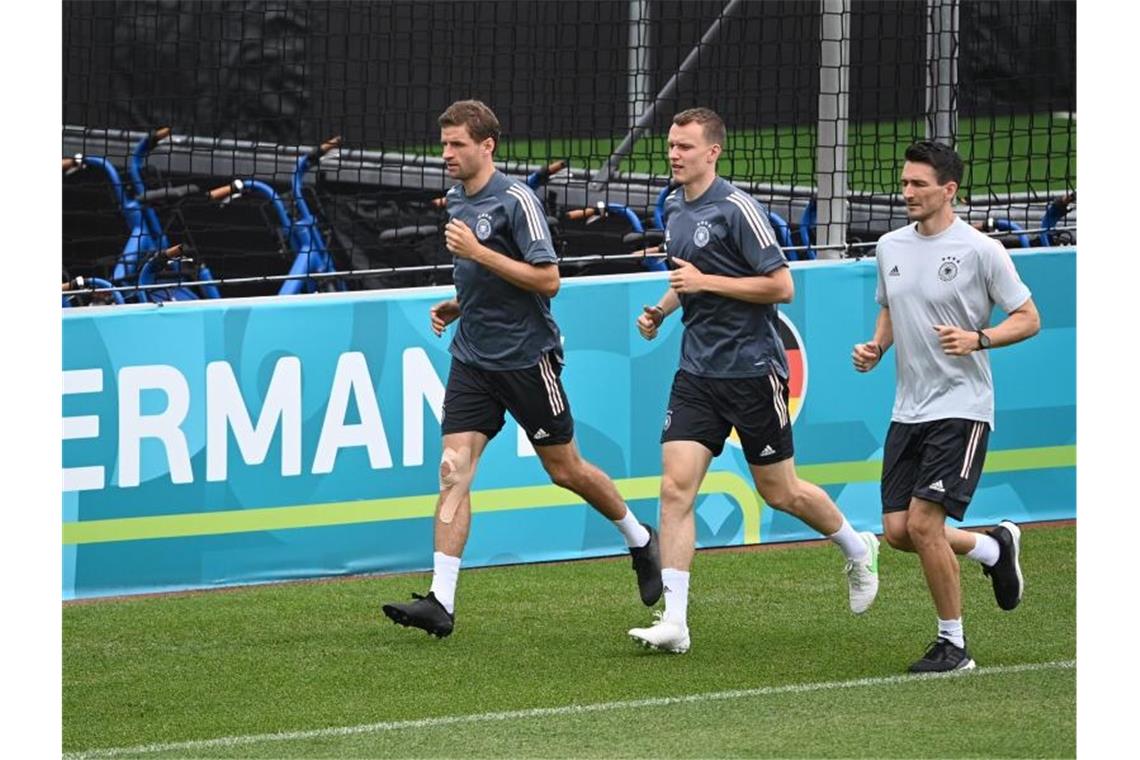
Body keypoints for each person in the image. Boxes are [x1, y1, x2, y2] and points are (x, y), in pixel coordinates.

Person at [382, 100, 661, 638]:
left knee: (565, 470)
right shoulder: (459, 199)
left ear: (487, 146)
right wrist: (458, 303)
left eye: (457, 144)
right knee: (452, 471)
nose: (447, 154)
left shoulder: (517, 200)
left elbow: (547, 279)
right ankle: (441, 600)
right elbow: (485, 277)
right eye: (444, 145)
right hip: (473, 358)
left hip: (526, 360)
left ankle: (639, 539)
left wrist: (479, 253)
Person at [627, 107, 880, 654]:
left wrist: (703, 282)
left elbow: (781, 287)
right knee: (674, 489)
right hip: (696, 371)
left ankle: (858, 547)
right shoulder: (673, 206)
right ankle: (676, 621)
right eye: (671, 145)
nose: (674, 154)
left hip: (752, 370)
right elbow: (687, 275)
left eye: (685, 146)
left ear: (712, 151)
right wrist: (666, 307)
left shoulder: (739, 208)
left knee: (780, 491)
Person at [852, 140, 1040, 672]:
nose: (906, 192)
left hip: (962, 407)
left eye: (918, 184)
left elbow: (1029, 318)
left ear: (948, 190)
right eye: (904, 182)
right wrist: (876, 346)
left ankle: (953, 646)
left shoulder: (982, 250)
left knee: (926, 525)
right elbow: (891, 310)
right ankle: (993, 548)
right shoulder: (889, 246)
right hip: (907, 408)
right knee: (899, 531)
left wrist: (979, 339)